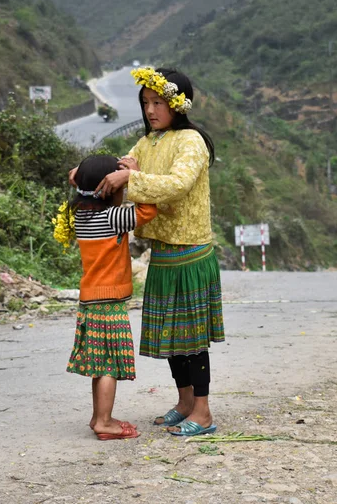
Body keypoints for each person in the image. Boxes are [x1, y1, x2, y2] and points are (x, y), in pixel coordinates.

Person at [94, 67, 225, 437]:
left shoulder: (190, 142)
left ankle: (203, 411)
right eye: (146, 103)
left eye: (159, 102)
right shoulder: (148, 142)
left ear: (178, 104)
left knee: (193, 339)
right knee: (172, 338)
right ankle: (184, 403)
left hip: (191, 252)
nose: (151, 110)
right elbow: (123, 168)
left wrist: (132, 177)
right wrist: (92, 173)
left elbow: (178, 184)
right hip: (163, 253)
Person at [55, 154, 157, 440]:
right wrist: (135, 175)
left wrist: (84, 175)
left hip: (90, 301)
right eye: (120, 187)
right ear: (109, 190)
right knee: (110, 364)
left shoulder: (80, 216)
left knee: (99, 364)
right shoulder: (114, 217)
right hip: (109, 303)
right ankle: (105, 423)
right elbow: (148, 212)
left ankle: (98, 416)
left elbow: (82, 184)